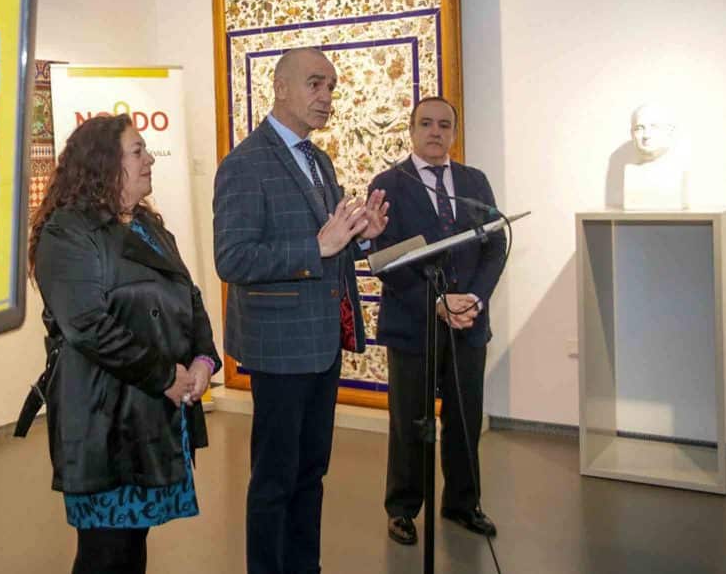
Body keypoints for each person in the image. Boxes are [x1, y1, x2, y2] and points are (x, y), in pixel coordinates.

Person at [213, 47, 389, 574]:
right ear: (281, 87)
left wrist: (361, 238)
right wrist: (319, 246)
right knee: (274, 480)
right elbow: (233, 259)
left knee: (311, 473)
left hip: (322, 343)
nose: (326, 97)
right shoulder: (244, 165)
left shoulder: (318, 160)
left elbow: (330, 246)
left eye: (331, 87)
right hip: (279, 348)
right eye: (315, 84)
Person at [29, 113, 221, 574]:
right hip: (103, 419)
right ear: (103, 163)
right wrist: (164, 376)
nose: (149, 159)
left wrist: (202, 359)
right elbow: (87, 325)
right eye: (138, 151)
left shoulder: (148, 226)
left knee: (133, 543)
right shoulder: (67, 232)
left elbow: (189, 295)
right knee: (107, 552)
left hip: (150, 415)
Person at [367, 96, 506, 545]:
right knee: (411, 421)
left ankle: (463, 504)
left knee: (465, 419)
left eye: (444, 125)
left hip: (468, 325)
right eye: (425, 123)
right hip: (413, 326)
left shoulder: (474, 182)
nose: (435, 131)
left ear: (454, 133)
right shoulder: (388, 184)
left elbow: (494, 245)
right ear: (411, 130)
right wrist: (437, 302)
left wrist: (474, 300)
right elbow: (385, 259)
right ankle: (403, 509)